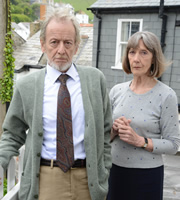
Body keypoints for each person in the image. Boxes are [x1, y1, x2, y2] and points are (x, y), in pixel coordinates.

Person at [0, 7, 112, 200]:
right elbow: (12, 133)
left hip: (89, 180)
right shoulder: (26, 86)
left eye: (68, 43)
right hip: (46, 180)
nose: (61, 50)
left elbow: (106, 130)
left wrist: (104, 170)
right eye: (54, 42)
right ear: (43, 45)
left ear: (77, 46)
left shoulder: (96, 80)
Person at [107, 31, 180, 200]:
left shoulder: (166, 95)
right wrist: (114, 129)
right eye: (132, 52)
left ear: (154, 58)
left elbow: (173, 144)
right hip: (114, 171)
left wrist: (140, 141)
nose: (136, 59)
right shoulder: (116, 91)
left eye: (144, 52)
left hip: (147, 177)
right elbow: (104, 137)